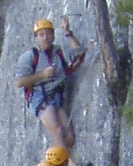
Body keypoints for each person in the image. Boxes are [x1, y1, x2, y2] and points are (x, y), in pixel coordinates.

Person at [16, 17, 85, 155]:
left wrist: (67, 32)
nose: (45, 38)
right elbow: (19, 82)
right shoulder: (30, 56)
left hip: (56, 97)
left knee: (69, 138)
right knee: (58, 131)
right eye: (41, 35)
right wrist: (42, 75)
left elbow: (80, 54)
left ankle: (52, 165)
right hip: (39, 97)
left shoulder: (57, 52)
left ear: (53, 36)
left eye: (48, 34)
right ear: (36, 38)